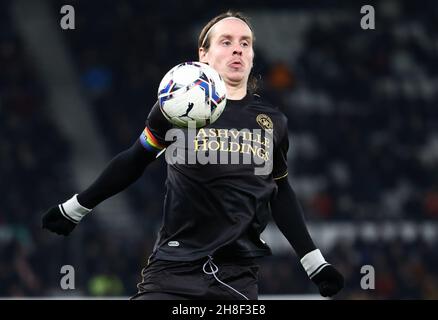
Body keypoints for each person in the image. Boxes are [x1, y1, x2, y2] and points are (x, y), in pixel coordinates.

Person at [42, 11, 344, 300]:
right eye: (226, 42)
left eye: (245, 43)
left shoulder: (272, 121)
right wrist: (76, 207)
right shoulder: (173, 109)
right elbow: (135, 160)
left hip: (235, 276)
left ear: (252, 57)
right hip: (172, 268)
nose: (237, 50)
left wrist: (314, 263)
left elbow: (279, 190)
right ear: (204, 54)